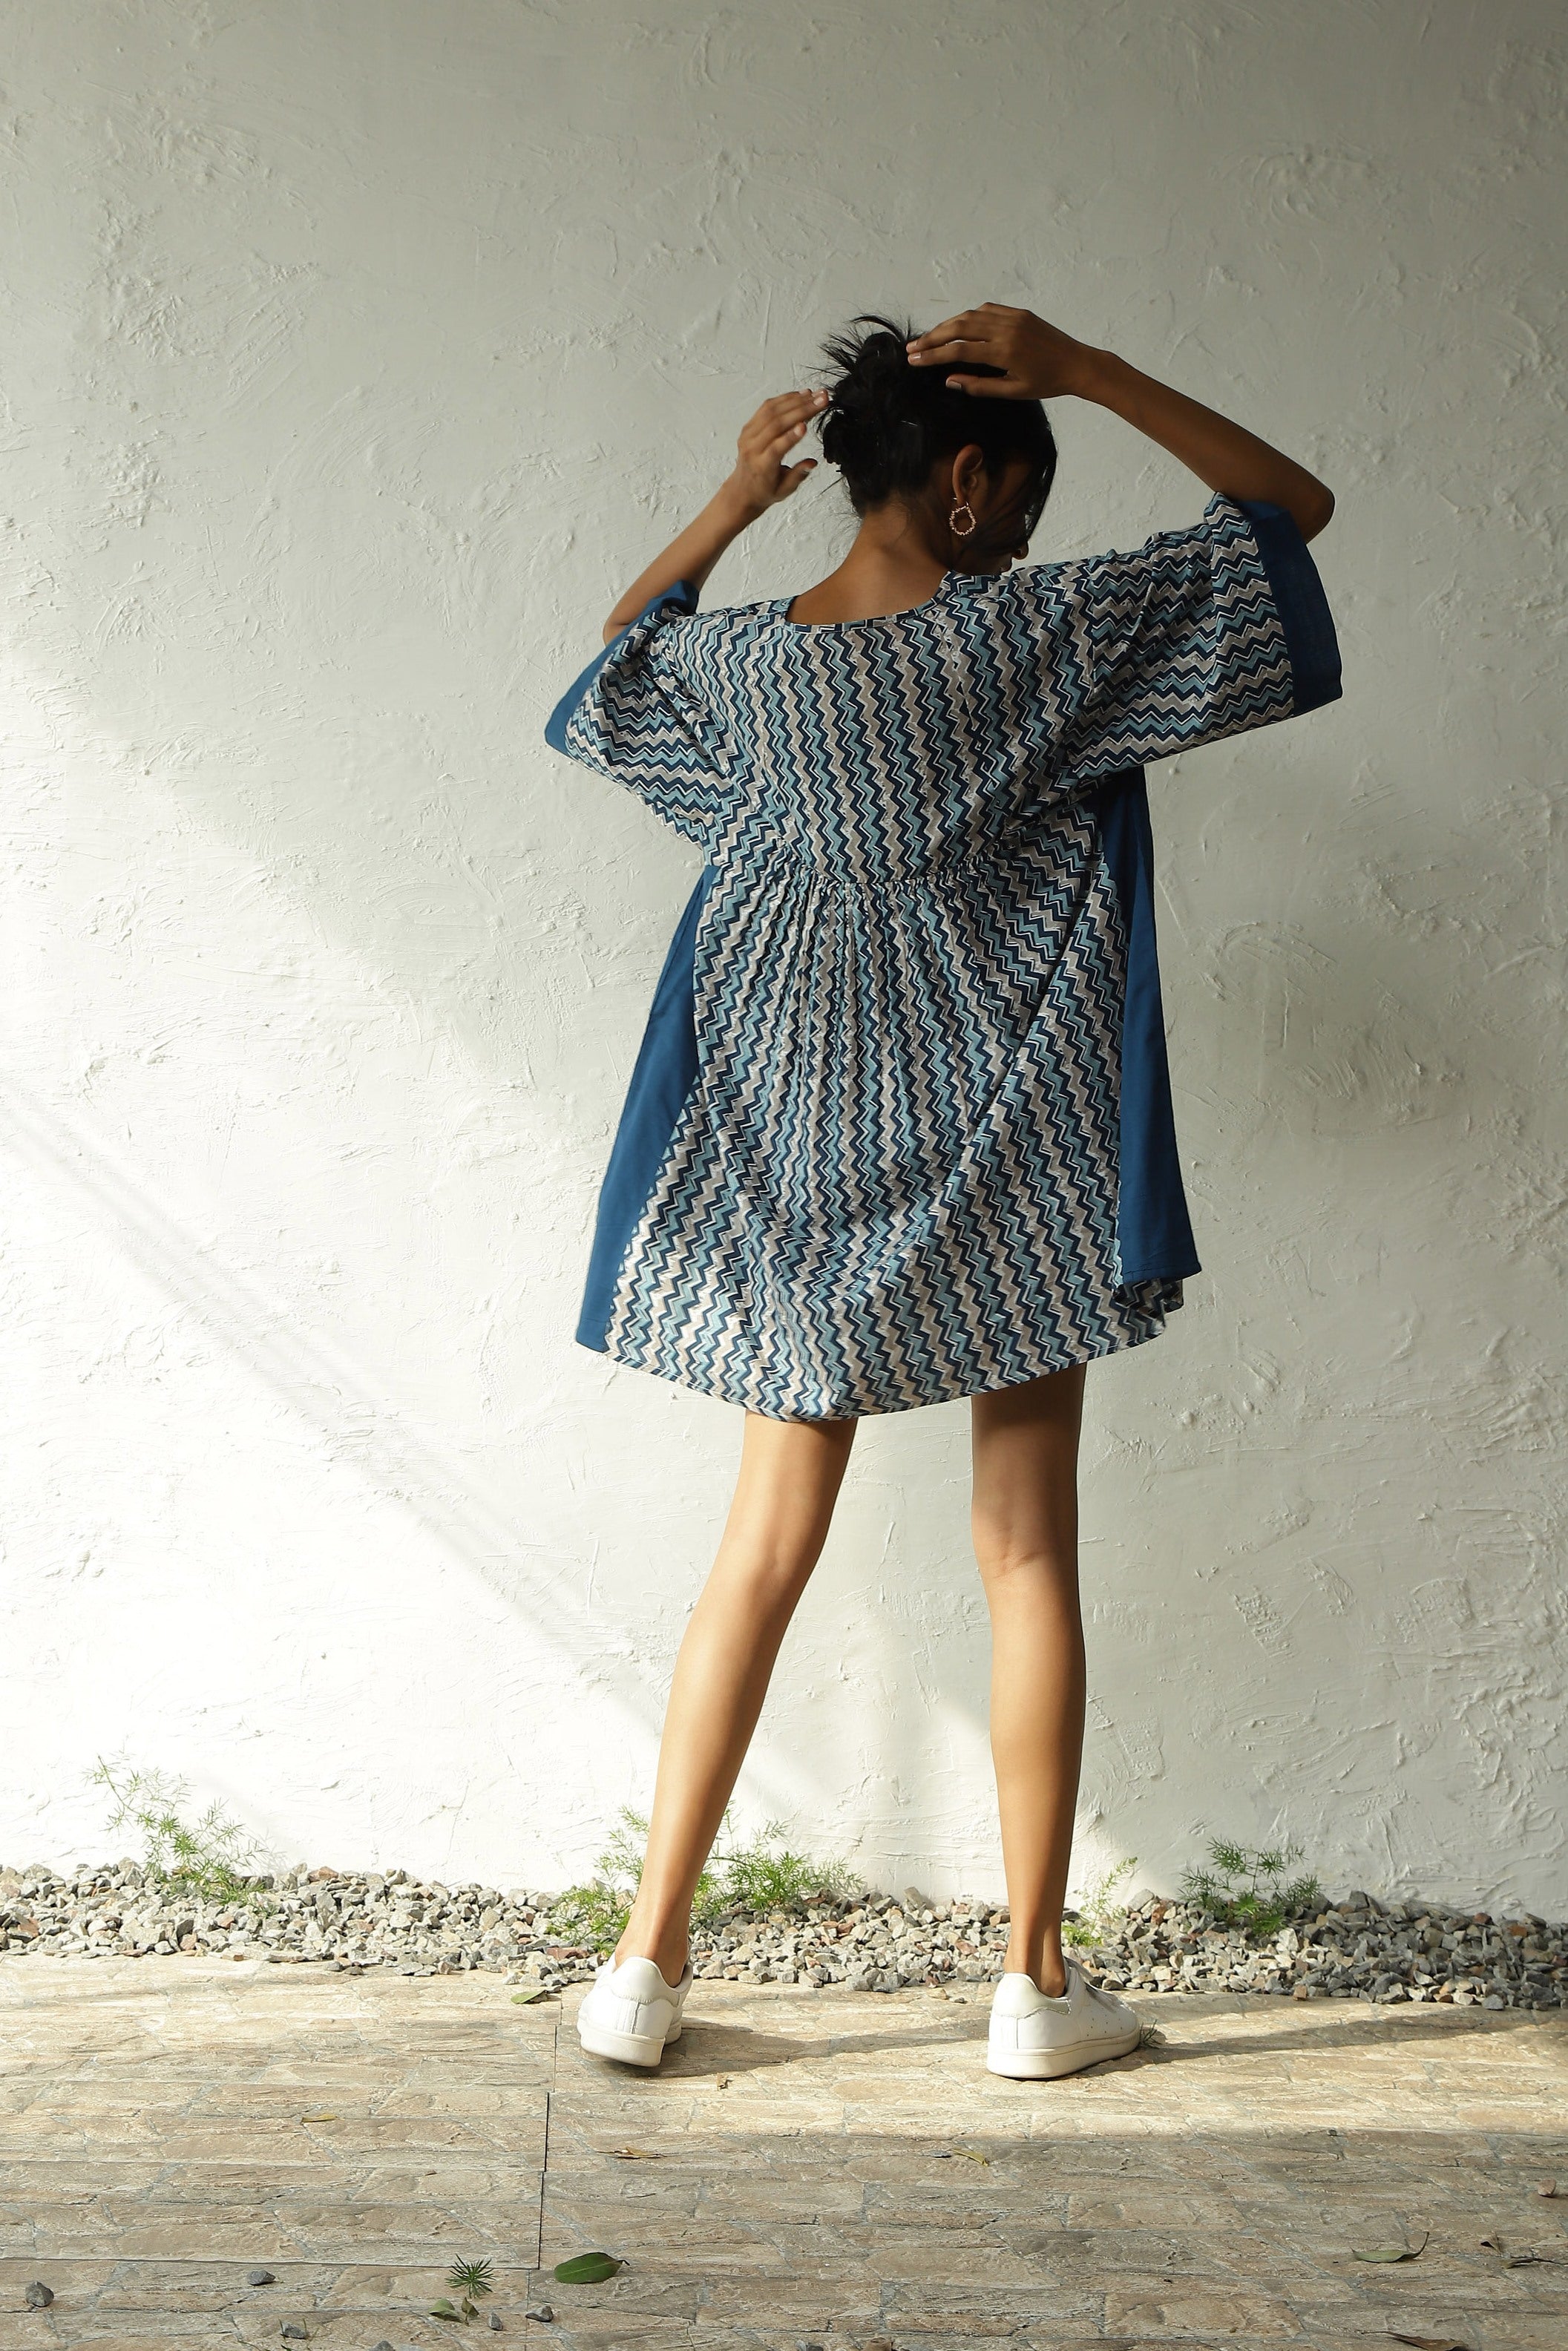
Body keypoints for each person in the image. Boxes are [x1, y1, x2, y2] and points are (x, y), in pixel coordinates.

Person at [544, 302, 1339, 2079]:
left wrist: (729, 506)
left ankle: (642, 1968)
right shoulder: (1042, 634)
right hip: (1012, 1150)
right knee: (1026, 1544)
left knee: (757, 1552)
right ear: (970, 478)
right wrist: (1092, 370)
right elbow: (1286, 512)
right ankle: (1032, 1987)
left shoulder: (747, 674)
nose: (1030, 542)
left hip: (796, 1156)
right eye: (1025, 504)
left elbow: (617, 666)